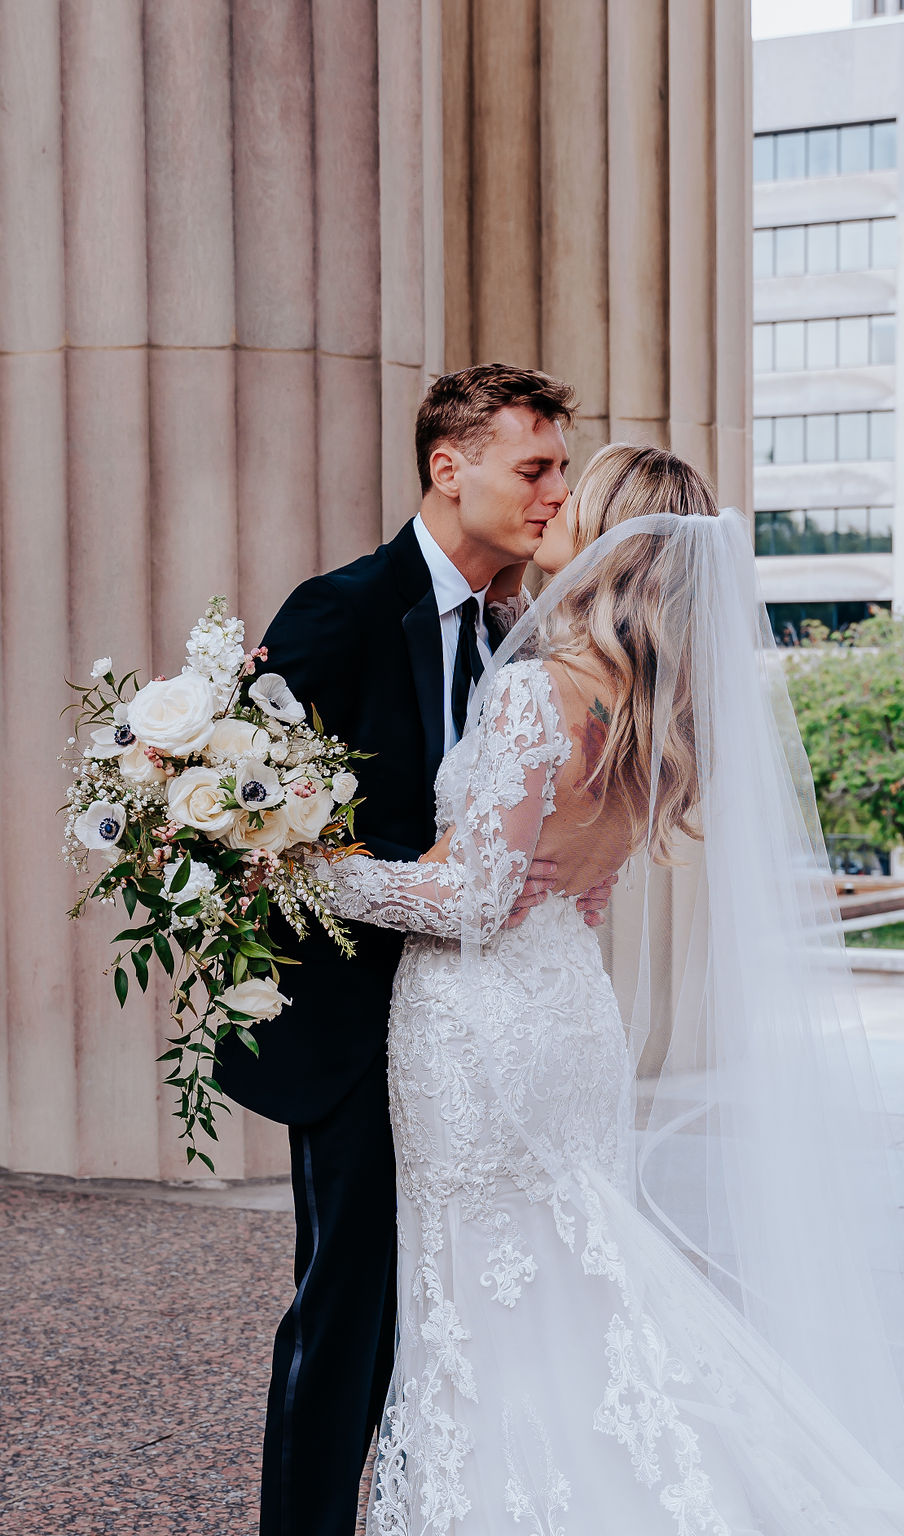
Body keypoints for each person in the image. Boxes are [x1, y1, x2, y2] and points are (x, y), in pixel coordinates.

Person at [311, 443, 904, 1534]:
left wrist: (303, 867)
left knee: (493, 1280)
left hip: (480, 1018)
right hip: (568, 1011)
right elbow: (574, 875)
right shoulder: (657, 707)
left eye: (572, 498)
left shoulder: (540, 687)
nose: (553, 508)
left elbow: (468, 903)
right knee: (574, 1263)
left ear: (614, 536)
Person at [215, 365, 614, 1536]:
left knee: (466, 1301)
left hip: (482, 1031)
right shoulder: (338, 610)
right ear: (452, 466)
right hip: (357, 1028)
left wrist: (556, 879)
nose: (552, 496)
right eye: (533, 468)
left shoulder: (528, 636)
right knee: (347, 1309)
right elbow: (254, 827)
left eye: (558, 472)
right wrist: (456, 885)